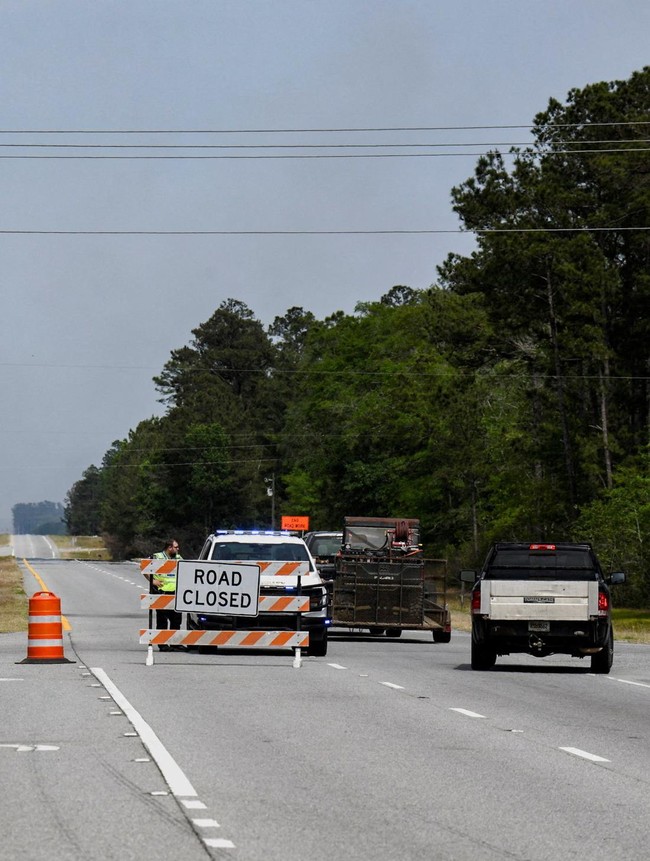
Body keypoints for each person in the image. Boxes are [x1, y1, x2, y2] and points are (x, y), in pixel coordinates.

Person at [144, 539, 183, 649]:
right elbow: (143, 566)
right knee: (162, 620)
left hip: (175, 593)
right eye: (176, 547)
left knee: (176, 620)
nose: (178, 549)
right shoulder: (157, 557)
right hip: (161, 592)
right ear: (169, 547)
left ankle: (175, 644)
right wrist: (152, 581)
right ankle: (163, 644)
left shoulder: (178, 558)